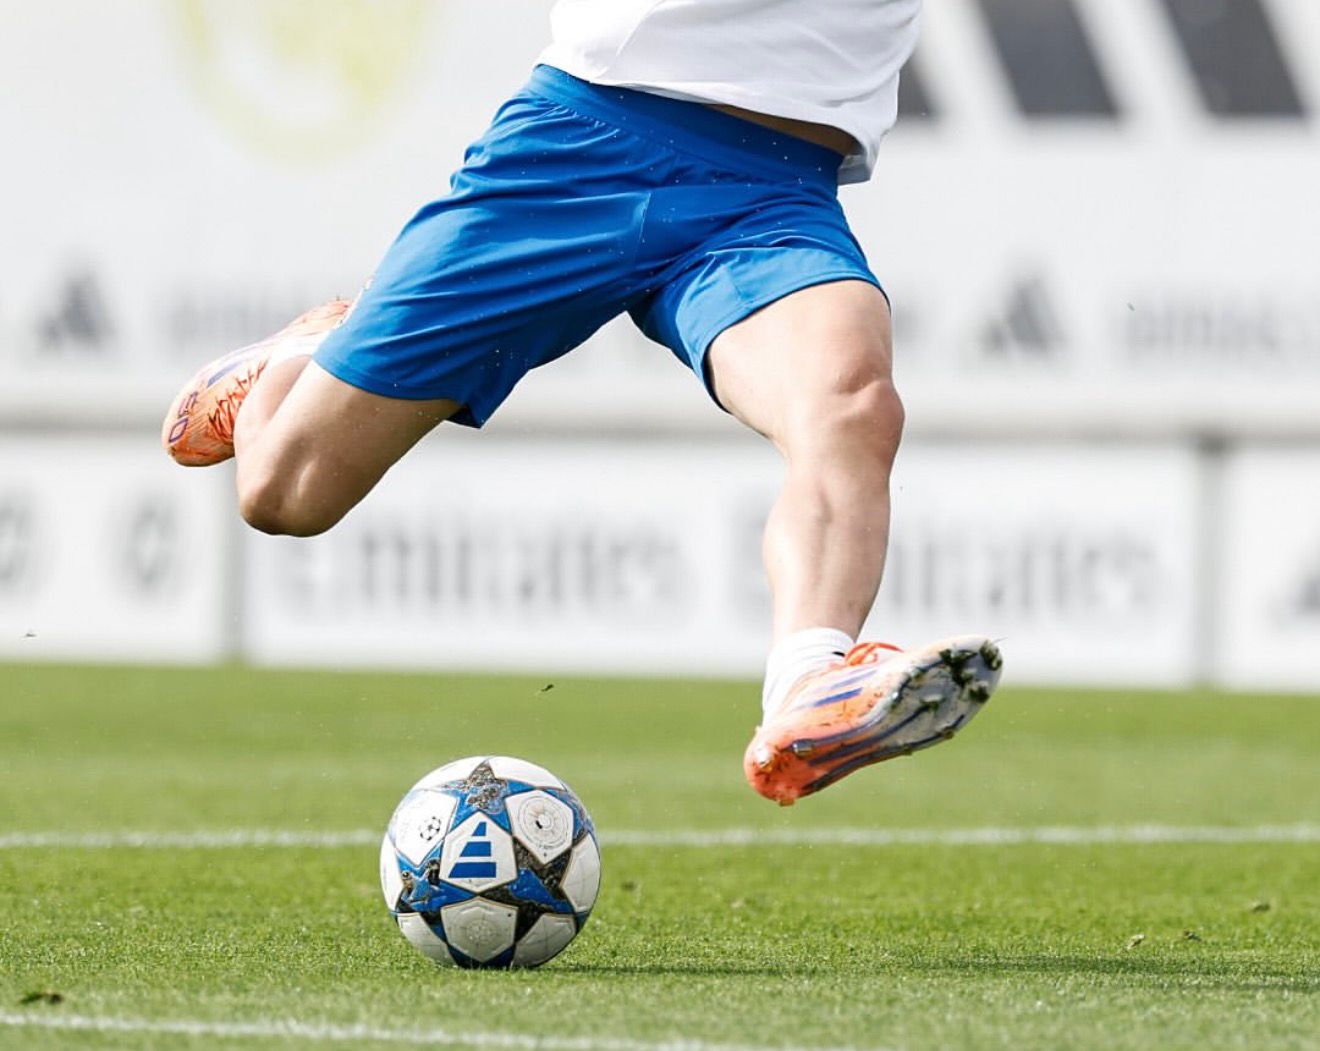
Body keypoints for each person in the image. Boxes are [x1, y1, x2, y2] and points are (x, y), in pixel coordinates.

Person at [162, 0, 1002, 806]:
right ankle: (307, 353)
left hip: (773, 193)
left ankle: (809, 681)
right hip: (583, 141)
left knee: (851, 406)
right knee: (284, 492)